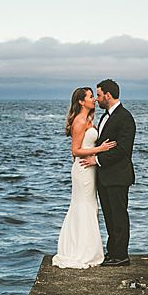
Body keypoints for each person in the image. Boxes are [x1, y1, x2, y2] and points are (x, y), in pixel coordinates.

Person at [52, 86, 117, 269]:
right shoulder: (79, 121)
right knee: (83, 206)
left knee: (90, 206)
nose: (94, 100)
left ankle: (87, 249)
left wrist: (95, 157)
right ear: (81, 101)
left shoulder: (88, 119)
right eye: (90, 97)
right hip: (82, 170)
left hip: (90, 169)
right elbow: (75, 151)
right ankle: (80, 251)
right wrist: (100, 150)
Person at [80, 79, 135, 267]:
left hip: (118, 176)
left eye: (99, 94)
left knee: (119, 216)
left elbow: (123, 150)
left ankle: (121, 256)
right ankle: (112, 253)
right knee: (110, 217)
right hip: (105, 176)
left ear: (108, 96)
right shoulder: (105, 116)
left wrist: (97, 160)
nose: (97, 99)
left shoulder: (125, 117)